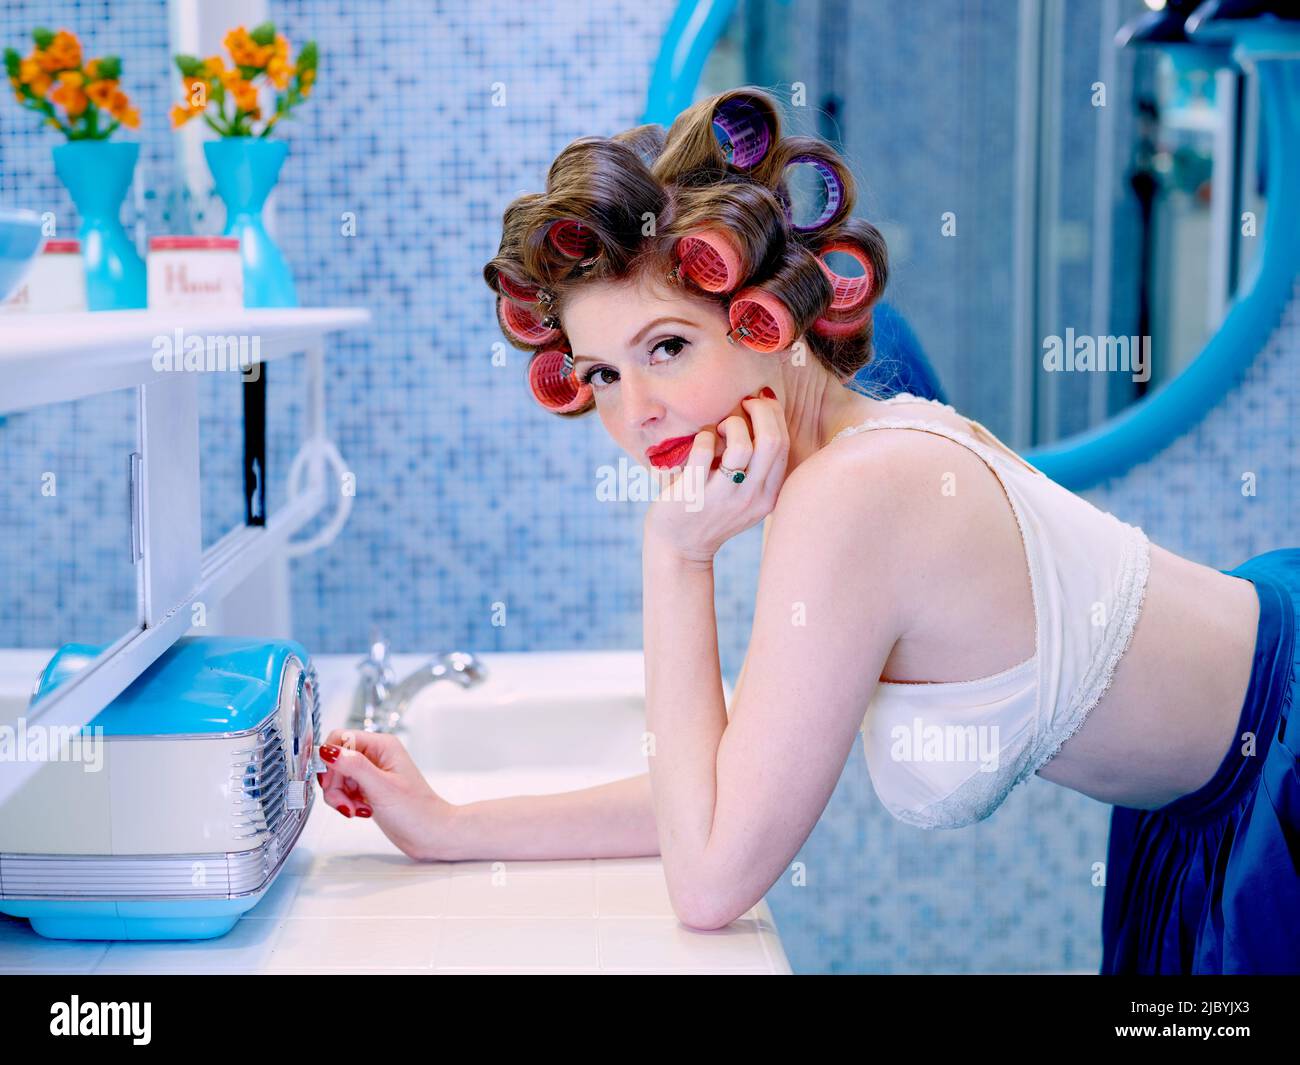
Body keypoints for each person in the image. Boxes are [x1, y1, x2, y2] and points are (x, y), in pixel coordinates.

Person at [315, 86, 1299, 974]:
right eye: (603, 373)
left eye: (666, 345)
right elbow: (715, 792)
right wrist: (449, 827)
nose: (637, 410)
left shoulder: (855, 493)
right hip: (1205, 817)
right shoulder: (839, 467)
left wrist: (675, 554)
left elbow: (710, 883)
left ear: (768, 321)